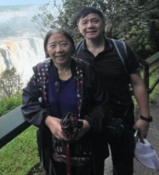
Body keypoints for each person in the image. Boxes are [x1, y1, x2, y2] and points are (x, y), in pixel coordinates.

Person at [74, 7, 151, 175]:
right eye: (84, 22)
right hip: (91, 122)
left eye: (95, 21)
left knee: (123, 165)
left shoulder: (121, 49)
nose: (90, 26)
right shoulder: (75, 53)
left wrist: (145, 117)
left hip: (122, 118)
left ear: (103, 23)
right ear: (79, 27)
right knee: (93, 167)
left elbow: (137, 83)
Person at [22, 28, 110, 175]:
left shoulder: (86, 70)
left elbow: (104, 105)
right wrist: (47, 120)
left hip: (88, 148)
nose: (59, 50)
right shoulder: (41, 73)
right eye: (53, 46)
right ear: (46, 50)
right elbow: (28, 102)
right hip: (55, 151)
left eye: (63, 44)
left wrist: (87, 124)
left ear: (72, 46)